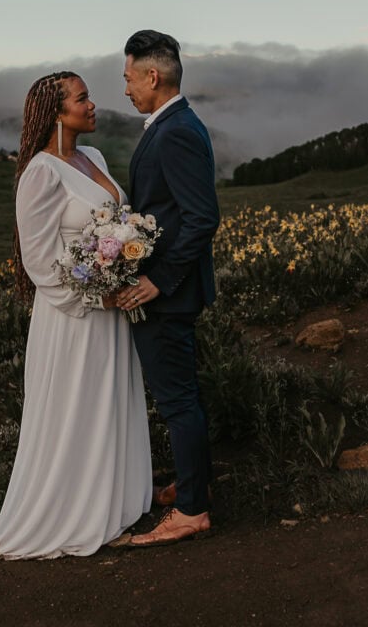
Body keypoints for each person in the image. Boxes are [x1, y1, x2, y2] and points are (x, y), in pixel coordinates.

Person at [0, 71, 152, 560]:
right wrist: (96, 295)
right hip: (74, 317)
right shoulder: (40, 173)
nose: (93, 105)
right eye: (83, 98)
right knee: (74, 409)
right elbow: (40, 261)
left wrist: (123, 262)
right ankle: (69, 514)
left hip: (110, 311)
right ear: (57, 111)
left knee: (107, 405)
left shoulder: (94, 157)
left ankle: (111, 506)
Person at [116, 30, 220, 546]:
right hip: (171, 288)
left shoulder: (176, 130)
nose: (127, 90)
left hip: (170, 292)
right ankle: (192, 482)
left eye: (129, 78)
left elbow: (201, 218)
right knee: (182, 396)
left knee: (178, 401)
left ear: (152, 77)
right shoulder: (172, 123)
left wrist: (158, 279)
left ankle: (192, 509)